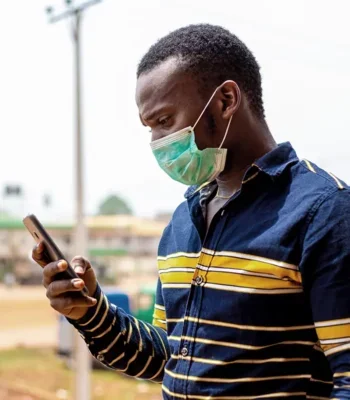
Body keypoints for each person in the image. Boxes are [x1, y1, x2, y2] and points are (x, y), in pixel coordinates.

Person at [33, 24, 350, 399]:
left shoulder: (323, 210)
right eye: (150, 128)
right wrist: (90, 313)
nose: (158, 143)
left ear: (226, 100)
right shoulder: (185, 219)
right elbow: (170, 357)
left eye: (165, 121)